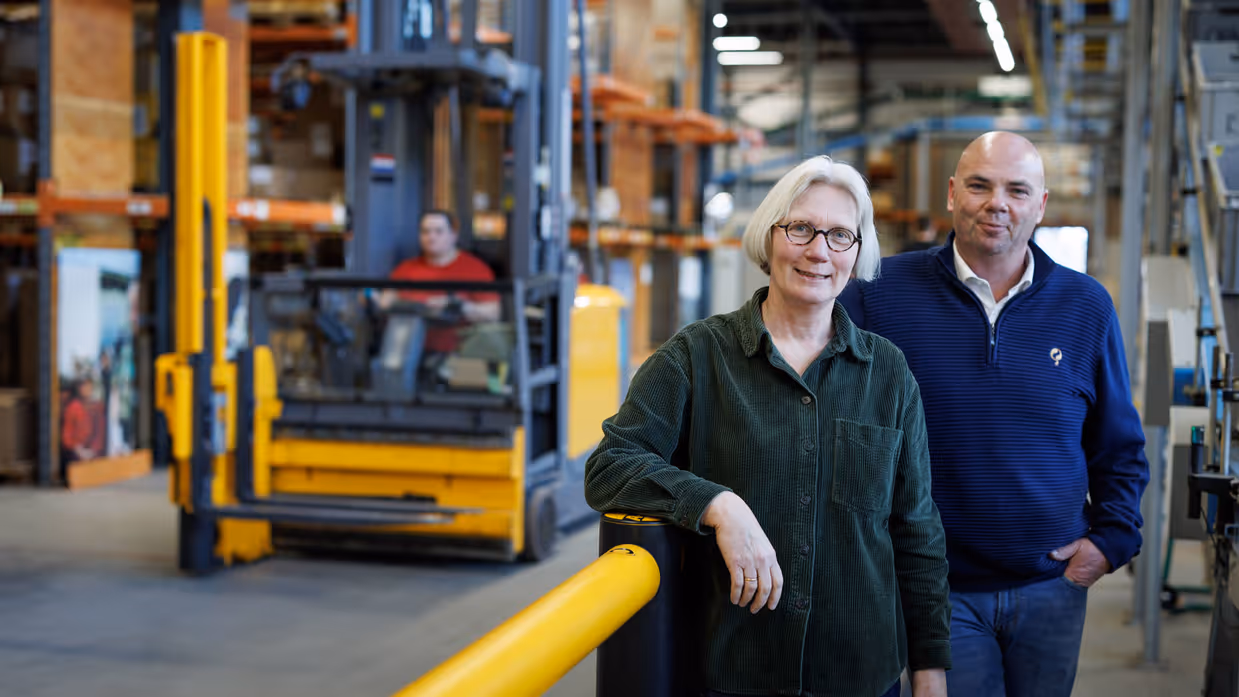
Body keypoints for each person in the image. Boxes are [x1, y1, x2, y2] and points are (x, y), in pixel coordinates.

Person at [584, 156, 951, 697]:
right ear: (769, 235)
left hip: (859, 674)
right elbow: (609, 466)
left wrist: (929, 668)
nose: (818, 251)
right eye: (800, 228)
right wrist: (716, 503)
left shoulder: (888, 372)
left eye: (839, 235)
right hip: (734, 671)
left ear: (857, 252)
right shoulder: (697, 355)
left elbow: (916, 528)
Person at [838, 131, 1150, 697]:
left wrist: (1110, 541)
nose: (997, 203)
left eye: (1017, 189)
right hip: (937, 587)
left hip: (1052, 588)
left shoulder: (1086, 305)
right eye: (980, 186)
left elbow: (1118, 443)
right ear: (953, 194)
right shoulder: (879, 294)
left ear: (1040, 205)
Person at [379, 209, 501, 355]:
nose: (431, 237)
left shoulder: (475, 269)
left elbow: (493, 313)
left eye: (438, 231)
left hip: (461, 355)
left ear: (453, 235)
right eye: (426, 231)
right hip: (410, 354)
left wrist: (457, 306)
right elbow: (386, 302)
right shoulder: (405, 268)